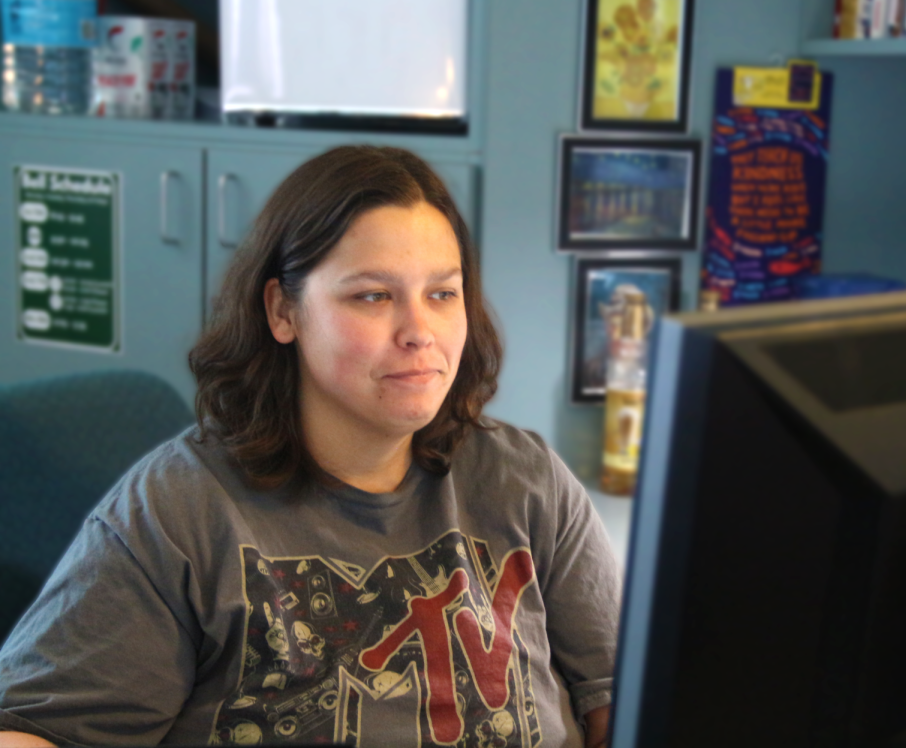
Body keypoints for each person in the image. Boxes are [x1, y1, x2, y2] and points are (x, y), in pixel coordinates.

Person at [0, 146, 621, 748]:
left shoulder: (525, 478)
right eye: (372, 296)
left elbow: (623, 699)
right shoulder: (181, 508)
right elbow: (34, 729)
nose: (419, 332)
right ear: (283, 312)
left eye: (442, 293)